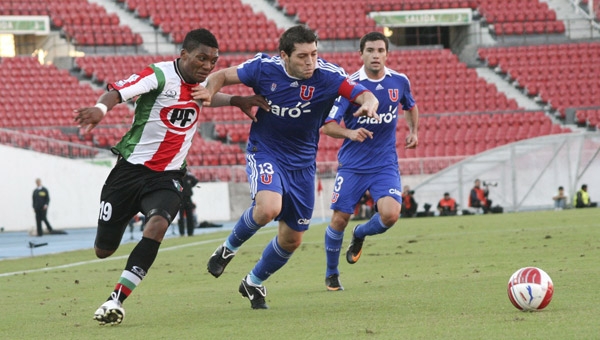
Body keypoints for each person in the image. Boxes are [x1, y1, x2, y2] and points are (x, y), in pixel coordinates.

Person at [73, 28, 269, 325]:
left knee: (158, 225)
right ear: (184, 54)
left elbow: (207, 96)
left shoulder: (204, 82)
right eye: (201, 58)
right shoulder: (159, 75)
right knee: (104, 249)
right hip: (128, 172)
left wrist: (237, 101)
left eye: (213, 61)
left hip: (168, 175)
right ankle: (126, 215)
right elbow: (117, 92)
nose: (207, 66)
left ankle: (116, 299)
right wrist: (101, 108)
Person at [194, 25, 380, 309]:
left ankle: (253, 281)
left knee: (292, 239)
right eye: (303, 56)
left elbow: (363, 93)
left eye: (314, 54)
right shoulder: (262, 68)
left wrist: (370, 103)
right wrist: (209, 93)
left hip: (303, 164)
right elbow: (220, 76)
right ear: (284, 56)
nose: (311, 62)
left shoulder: (329, 76)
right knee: (269, 207)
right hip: (266, 151)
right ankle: (228, 249)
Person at [321, 31, 419, 291]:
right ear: (361, 54)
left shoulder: (399, 81)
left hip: (385, 163)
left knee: (391, 215)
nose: (376, 55)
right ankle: (332, 273)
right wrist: (350, 133)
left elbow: (410, 106)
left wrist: (413, 131)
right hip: (352, 165)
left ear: (387, 53)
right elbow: (328, 126)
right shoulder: (349, 86)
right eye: (370, 50)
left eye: (380, 50)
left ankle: (360, 234)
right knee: (339, 219)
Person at [178, 171, 199, 236]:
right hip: (181, 199)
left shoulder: (189, 177)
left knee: (190, 216)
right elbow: (177, 187)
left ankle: (190, 232)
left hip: (188, 199)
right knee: (181, 217)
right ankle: (182, 233)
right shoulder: (178, 178)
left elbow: (195, 181)